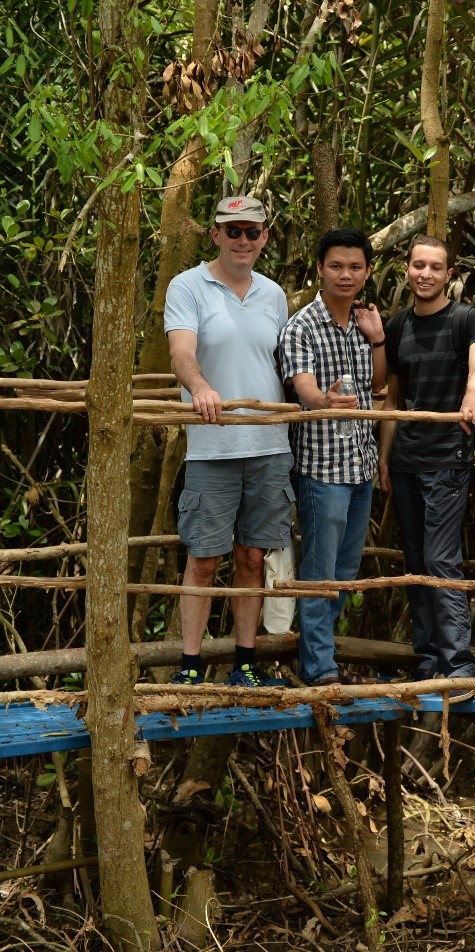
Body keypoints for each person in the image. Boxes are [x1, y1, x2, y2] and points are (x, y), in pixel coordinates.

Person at [165, 196, 292, 688]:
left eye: (252, 232)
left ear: (263, 238)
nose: (243, 240)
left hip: (268, 445)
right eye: (233, 231)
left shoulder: (274, 294)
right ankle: (190, 664)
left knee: (253, 558)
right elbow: (181, 351)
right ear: (215, 235)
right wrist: (200, 388)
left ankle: (245, 661)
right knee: (203, 558)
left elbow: (283, 363)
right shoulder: (188, 286)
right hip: (213, 446)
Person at [379, 235, 475, 688]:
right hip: (406, 457)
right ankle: (427, 656)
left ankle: (457, 659)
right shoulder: (396, 326)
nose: (425, 274)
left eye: (435, 267)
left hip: (448, 455)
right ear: (407, 270)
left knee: (440, 557)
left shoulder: (468, 320)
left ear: (450, 275)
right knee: (414, 559)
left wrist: (471, 398)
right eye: (418, 265)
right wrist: (384, 459)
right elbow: (392, 397)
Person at [278, 227, 386, 686]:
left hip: (360, 463)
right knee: (320, 568)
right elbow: (303, 389)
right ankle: (318, 667)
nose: (346, 274)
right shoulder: (302, 325)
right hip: (322, 468)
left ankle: (318, 652)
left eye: (355, 267)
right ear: (320, 268)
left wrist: (378, 340)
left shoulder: (365, 321)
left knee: (345, 568)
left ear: (367, 272)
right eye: (336, 266)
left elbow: (378, 385)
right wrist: (324, 400)